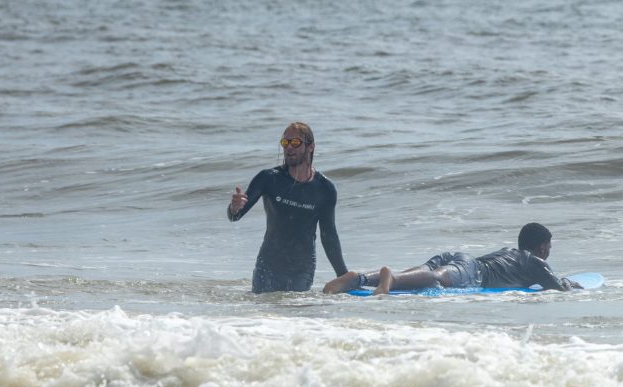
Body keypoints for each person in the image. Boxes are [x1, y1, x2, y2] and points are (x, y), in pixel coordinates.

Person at [228, 122, 348, 293]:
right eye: (285, 143)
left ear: (311, 147)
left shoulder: (325, 189)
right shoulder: (268, 179)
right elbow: (235, 215)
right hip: (268, 266)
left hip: (302, 270)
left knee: (295, 317)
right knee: (263, 317)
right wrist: (234, 208)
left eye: (296, 143)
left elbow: (329, 236)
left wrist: (342, 276)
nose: (289, 148)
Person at [323, 222, 582, 295]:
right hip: (473, 270)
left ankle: (360, 279)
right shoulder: (535, 261)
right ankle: (390, 277)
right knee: (436, 279)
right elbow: (558, 287)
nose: (549, 252)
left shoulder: (508, 252)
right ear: (542, 248)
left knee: (420, 273)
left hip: (459, 257)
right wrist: (572, 283)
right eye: (549, 247)